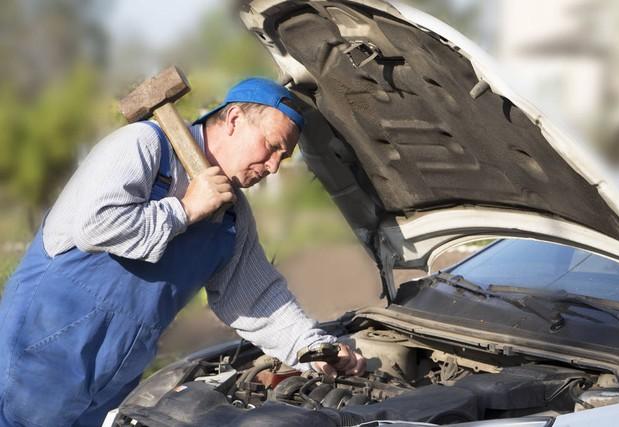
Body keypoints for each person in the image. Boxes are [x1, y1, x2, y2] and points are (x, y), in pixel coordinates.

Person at [0, 77, 365, 427]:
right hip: (39, 353)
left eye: (282, 159)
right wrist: (185, 210)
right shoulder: (144, 146)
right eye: (271, 146)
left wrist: (311, 347)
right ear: (234, 119)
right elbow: (96, 224)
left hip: (116, 374)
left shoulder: (232, 213)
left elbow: (255, 298)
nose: (272, 167)